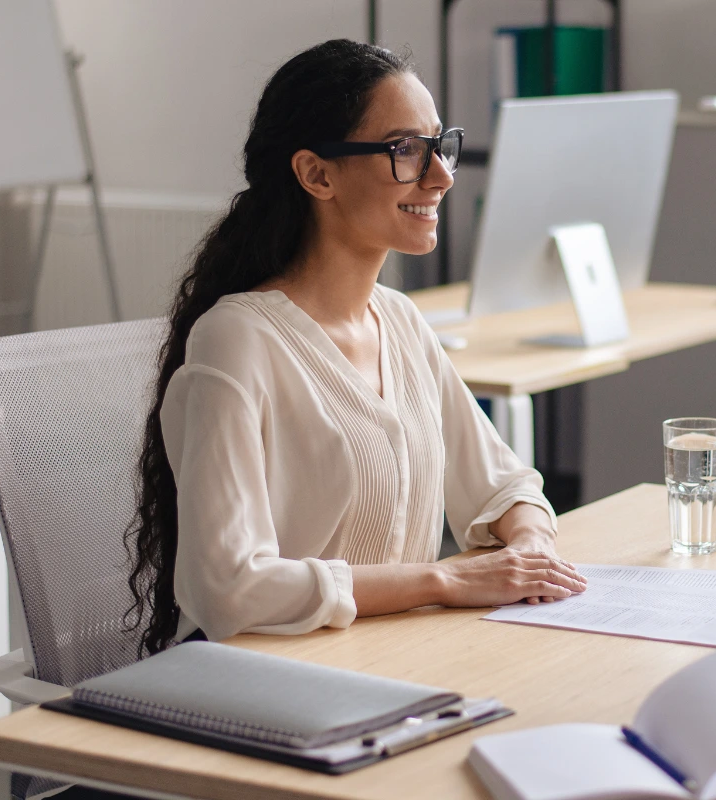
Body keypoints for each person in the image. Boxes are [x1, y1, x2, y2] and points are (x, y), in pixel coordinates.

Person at [124, 39, 587, 656]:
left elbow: (504, 486)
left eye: (438, 145)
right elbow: (229, 588)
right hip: (276, 678)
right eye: (405, 151)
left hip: (396, 658)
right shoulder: (237, 340)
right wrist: (445, 579)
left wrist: (530, 543)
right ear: (317, 174)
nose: (442, 176)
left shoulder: (399, 320)